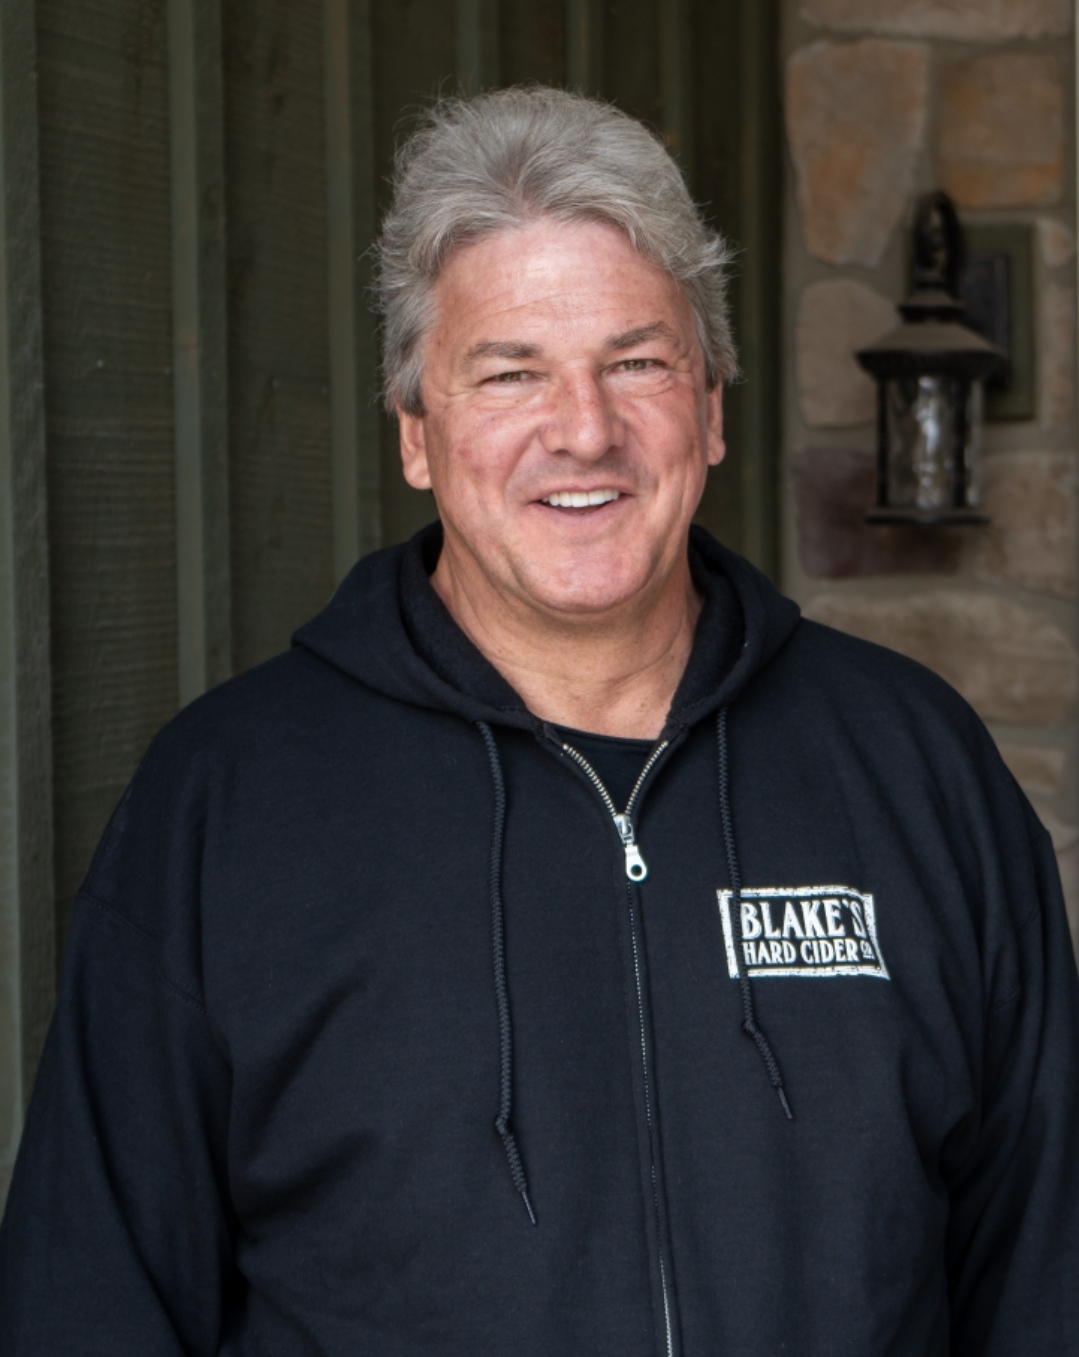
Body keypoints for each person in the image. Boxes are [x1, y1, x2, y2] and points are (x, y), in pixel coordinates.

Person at [1, 86, 1077, 1356]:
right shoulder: (226, 805)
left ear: (710, 406)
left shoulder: (912, 766)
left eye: (636, 363)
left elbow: (1043, 1274)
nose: (583, 431)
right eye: (510, 373)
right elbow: (88, 1299)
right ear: (417, 433)